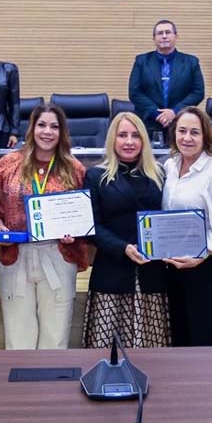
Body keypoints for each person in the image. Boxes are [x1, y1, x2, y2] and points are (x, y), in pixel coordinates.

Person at [0, 103, 88, 350]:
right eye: (41, 125)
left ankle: (53, 389)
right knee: (18, 338)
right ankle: (22, 390)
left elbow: (82, 215)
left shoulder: (74, 169)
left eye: (54, 126)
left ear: (62, 132)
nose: (47, 132)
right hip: (16, 255)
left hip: (58, 255)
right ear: (31, 129)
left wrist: (72, 232)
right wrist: (0, 228)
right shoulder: (6, 165)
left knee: (55, 338)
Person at [82, 112, 169, 348]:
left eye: (135, 135)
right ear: (112, 140)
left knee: (154, 351)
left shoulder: (160, 174)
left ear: (144, 140)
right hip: (112, 272)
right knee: (105, 350)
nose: (129, 141)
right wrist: (123, 248)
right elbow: (91, 227)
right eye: (122, 135)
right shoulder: (96, 176)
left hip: (153, 274)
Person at [161, 106, 212, 346]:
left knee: (210, 343)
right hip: (176, 270)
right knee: (182, 340)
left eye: (194, 132)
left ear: (205, 136)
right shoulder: (169, 166)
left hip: (207, 272)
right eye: (182, 131)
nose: (187, 138)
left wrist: (202, 255)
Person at [128, 19, 204, 140]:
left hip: (181, 123)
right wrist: (158, 114)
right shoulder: (141, 61)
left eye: (168, 32)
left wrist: (175, 112)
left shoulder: (191, 62)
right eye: (160, 33)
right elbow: (134, 92)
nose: (164, 36)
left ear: (176, 36)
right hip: (149, 123)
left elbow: (198, 92)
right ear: (154, 38)